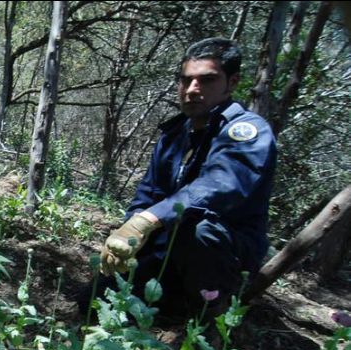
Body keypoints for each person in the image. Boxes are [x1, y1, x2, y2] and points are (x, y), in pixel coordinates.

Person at [92, 38, 277, 319]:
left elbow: (222, 185)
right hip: (167, 253)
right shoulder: (173, 135)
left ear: (232, 82)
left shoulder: (248, 131)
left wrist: (147, 221)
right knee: (94, 301)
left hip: (219, 254)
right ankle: (173, 302)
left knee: (199, 229)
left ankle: (213, 316)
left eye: (207, 80)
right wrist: (130, 232)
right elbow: (148, 193)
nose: (192, 90)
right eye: (186, 80)